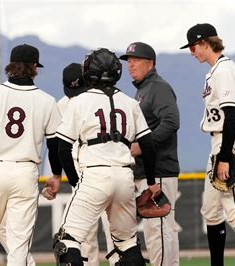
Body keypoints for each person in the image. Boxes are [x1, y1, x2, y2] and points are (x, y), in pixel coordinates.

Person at [51, 48, 160, 266]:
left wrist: (75, 181)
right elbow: (148, 145)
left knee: (67, 241)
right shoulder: (130, 103)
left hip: (94, 175)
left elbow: (62, 148)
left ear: (89, 72)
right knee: (127, 243)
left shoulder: (79, 102)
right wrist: (150, 182)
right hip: (124, 178)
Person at [0, 43, 62, 265]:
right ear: (35, 67)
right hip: (24, 171)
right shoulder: (46, 100)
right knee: (18, 244)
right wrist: (56, 175)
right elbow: (55, 146)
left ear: (11, 66)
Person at [180, 23, 235, 266]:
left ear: (205, 43)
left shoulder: (224, 70)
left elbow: (231, 116)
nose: (191, 51)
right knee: (211, 211)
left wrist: (224, 157)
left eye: (193, 46)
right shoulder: (217, 70)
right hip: (221, 142)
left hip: (230, 141)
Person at [120, 42, 180, 266]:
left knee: (159, 233)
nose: (130, 64)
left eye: (136, 60)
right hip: (148, 170)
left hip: (160, 170)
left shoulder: (158, 87)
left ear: (150, 63)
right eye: (128, 60)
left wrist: (144, 145)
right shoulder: (143, 89)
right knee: (160, 233)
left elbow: (172, 122)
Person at [56, 63, 117, 266]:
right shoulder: (62, 105)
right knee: (83, 234)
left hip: (101, 167)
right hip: (79, 171)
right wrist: (74, 181)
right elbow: (58, 146)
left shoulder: (101, 100)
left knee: (113, 229)